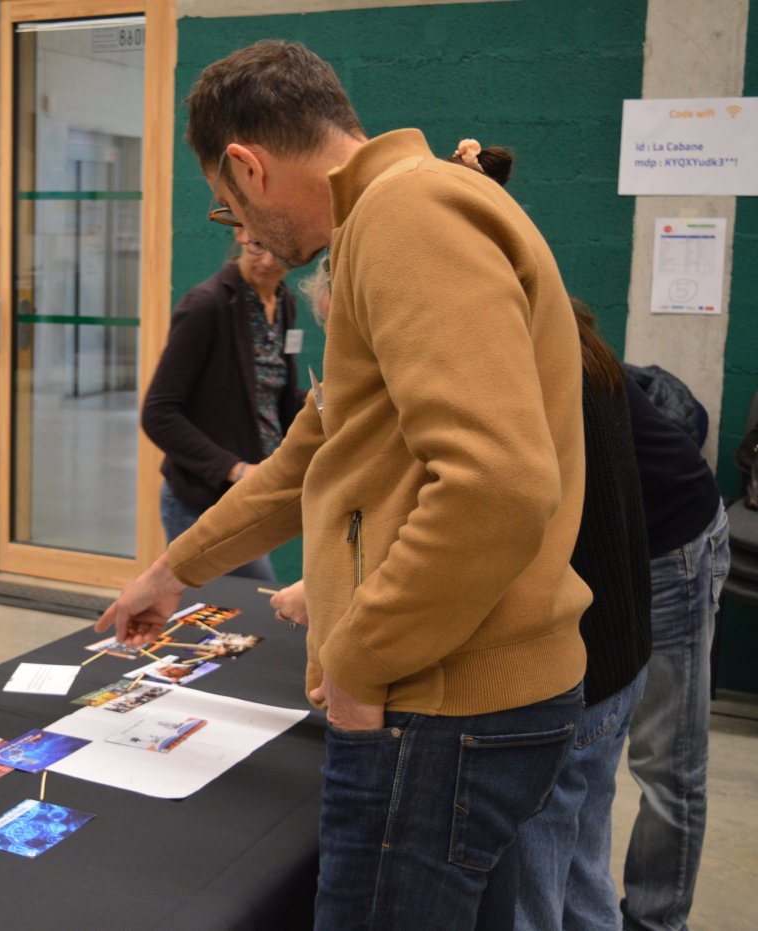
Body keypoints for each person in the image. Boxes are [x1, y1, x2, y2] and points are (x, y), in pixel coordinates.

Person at [95, 41, 589, 928]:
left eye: (227, 203)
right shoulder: (393, 217)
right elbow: (313, 453)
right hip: (459, 692)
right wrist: (175, 570)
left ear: (248, 164)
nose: (241, 228)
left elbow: (498, 483)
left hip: (437, 701)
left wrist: (362, 655)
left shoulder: (407, 218)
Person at [512, 297, 653, 931]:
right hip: (620, 660)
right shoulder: (586, 353)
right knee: (584, 867)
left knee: (537, 888)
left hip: (580, 669)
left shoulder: (531, 370)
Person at [621, 367, 729, 931]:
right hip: (608, 547)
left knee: (666, 761)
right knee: (579, 751)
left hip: (670, 549)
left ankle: (654, 922)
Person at [142, 227, 303, 581]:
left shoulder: (282, 300)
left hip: (250, 499)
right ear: (242, 235)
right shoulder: (206, 305)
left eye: (280, 253)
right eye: (260, 246)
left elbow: (277, 399)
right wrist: (235, 469)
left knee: (238, 617)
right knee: (254, 603)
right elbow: (158, 414)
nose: (268, 262)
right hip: (200, 501)